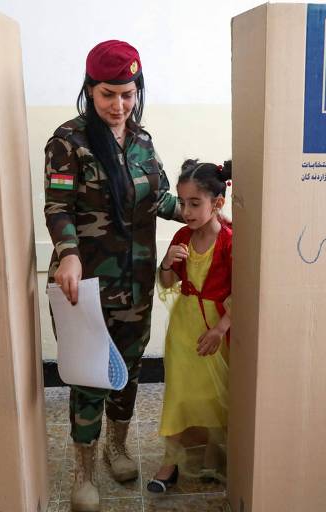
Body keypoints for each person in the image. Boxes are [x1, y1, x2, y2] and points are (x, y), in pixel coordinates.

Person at [43, 40, 182, 512]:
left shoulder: (142, 140)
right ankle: (83, 468)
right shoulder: (68, 142)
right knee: (89, 376)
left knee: (128, 370)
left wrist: (203, 214)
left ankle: (116, 448)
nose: (119, 105)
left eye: (127, 94)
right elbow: (57, 206)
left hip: (136, 281)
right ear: (89, 90)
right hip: (82, 284)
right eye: (108, 94)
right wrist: (67, 254)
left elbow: (160, 198)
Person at [146, 160, 233, 494]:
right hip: (184, 327)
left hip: (216, 328)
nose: (186, 211)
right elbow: (168, 282)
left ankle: (213, 455)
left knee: (215, 393)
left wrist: (221, 329)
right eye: (182, 203)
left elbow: (241, 291)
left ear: (218, 203)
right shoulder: (182, 235)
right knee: (179, 393)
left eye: (195, 203)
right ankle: (169, 463)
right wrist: (167, 262)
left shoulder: (228, 241)